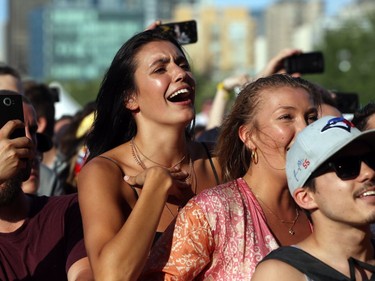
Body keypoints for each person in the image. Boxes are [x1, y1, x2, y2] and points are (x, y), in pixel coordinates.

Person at [140, 74, 321, 280]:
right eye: (286, 117)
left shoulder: (325, 207)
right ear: (248, 136)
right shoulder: (211, 211)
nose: (305, 130)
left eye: (312, 118)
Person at [77, 29, 221, 281]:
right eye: (160, 69)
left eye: (182, 64)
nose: (180, 74)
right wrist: (155, 188)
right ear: (130, 98)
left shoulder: (222, 161)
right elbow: (111, 276)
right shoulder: (104, 172)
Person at [251, 115, 375, 281]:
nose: (369, 172)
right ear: (305, 197)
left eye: (373, 160)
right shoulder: (283, 275)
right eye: (345, 166)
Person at [0, 90, 93, 280]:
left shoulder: (67, 210)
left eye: (32, 130)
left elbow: (84, 273)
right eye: (13, 130)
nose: (27, 139)